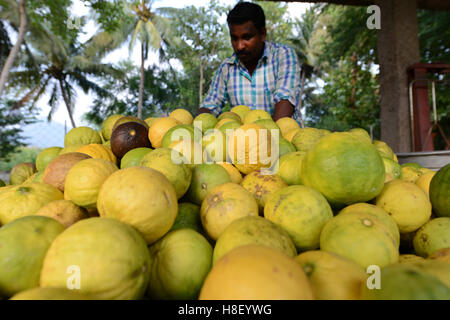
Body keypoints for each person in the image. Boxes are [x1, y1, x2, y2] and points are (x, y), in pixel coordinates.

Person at [198, 1, 302, 123]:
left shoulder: (283, 55)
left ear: (262, 34)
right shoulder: (226, 68)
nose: (239, 46)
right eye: (234, 38)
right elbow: (210, 105)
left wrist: (272, 137)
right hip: (245, 140)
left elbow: (286, 97)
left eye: (246, 37)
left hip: (284, 138)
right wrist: (196, 126)